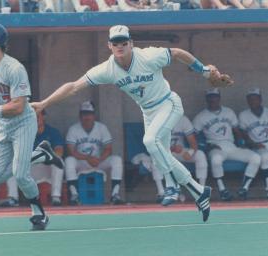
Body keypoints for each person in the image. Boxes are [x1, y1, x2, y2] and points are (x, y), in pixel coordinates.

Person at [31, 25, 233, 222]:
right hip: (148, 111)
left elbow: (178, 52)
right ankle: (199, 191)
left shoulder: (148, 56)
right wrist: (44, 103)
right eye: (115, 43)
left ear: (131, 43)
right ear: (109, 46)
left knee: (151, 141)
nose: (120, 46)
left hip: (168, 103)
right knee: (159, 153)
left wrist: (205, 71)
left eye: (123, 42)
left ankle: (173, 186)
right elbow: (74, 86)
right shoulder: (107, 69)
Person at [0, 22, 50, 230]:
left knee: (21, 174)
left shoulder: (14, 68)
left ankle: (39, 213)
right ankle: (40, 154)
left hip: (23, 122)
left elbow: (19, 106)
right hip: (3, 125)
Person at [193, 88, 261, 201]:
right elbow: (193, 135)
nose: (213, 99)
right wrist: (206, 145)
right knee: (216, 160)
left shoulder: (229, 112)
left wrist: (241, 142)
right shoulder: (201, 116)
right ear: (207, 99)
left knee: (256, 157)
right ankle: (222, 190)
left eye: (215, 97)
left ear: (219, 98)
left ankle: (244, 188)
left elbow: (236, 129)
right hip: (215, 146)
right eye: (210, 97)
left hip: (231, 146)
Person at [132, 114, 209, 204]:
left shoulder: (182, 119)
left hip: (179, 152)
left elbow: (193, 143)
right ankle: (161, 192)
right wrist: (171, 148)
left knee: (200, 155)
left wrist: (190, 152)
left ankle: (200, 192)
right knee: (157, 159)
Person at [0, 110, 65, 207]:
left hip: (46, 169)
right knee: (11, 164)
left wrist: (46, 157)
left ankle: (56, 198)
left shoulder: (53, 132)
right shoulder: (23, 133)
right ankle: (13, 198)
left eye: (38, 114)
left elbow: (59, 152)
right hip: (29, 169)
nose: (36, 117)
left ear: (44, 117)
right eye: (32, 115)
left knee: (59, 162)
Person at [65, 100, 124, 205]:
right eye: (84, 114)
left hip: (98, 161)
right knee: (69, 160)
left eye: (89, 114)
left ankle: (115, 194)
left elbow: (108, 148)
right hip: (82, 162)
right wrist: (87, 158)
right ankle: (74, 195)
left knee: (117, 160)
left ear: (94, 115)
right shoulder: (73, 129)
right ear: (80, 115)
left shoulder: (101, 128)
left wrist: (99, 159)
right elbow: (71, 151)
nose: (87, 117)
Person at [239, 88, 268, 200]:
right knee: (265, 157)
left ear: (260, 99)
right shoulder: (244, 115)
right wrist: (253, 144)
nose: (253, 101)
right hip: (258, 146)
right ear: (247, 101)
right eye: (250, 99)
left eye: (255, 99)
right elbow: (243, 135)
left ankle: (267, 188)